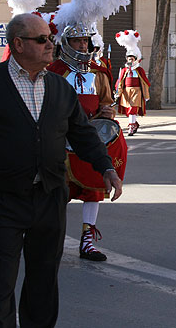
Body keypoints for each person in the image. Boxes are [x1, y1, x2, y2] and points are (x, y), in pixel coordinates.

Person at [0, 13, 122, 328]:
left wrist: (106, 168)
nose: (50, 46)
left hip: (49, 198)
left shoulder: (58, 86)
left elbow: (83, 133)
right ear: (18, 44)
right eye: (41, 40)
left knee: (43, 281)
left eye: (49, 39)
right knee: (2, 281)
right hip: (3, 200)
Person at [47, 23, 120, 261]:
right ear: (66, 43)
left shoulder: (99, 73)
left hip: (88, 139)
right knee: (58, 192)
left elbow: (105, 102)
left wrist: (107, 113)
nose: (82, 45)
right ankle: (50, 239)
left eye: (85, 41)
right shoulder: (54, 71)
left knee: (93, 190)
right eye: (77, 41)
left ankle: (87, 241)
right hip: (60, 140)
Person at [115, 30, 151, 136]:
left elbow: (145, 82)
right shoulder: (124, 70)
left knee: (132, 109)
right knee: (128, 110)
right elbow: (120, 81)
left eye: (132, 58)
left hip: (136, 91)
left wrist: (146, 94)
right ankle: (134, 123)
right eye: (129, 58)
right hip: (126, 91)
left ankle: (131, 126)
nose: (130, 60)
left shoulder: (139, 70)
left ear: (136, 59)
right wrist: (118, 91)